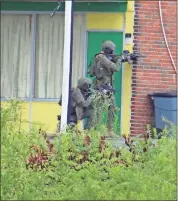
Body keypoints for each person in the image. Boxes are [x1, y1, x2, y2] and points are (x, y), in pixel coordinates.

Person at [90, 40, 123, 137]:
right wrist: (119, 60)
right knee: (100, 109)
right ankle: (97, 131)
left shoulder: (104, 57)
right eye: (111, 50)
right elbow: (115, 68)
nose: (113, 52)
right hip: (101, 87)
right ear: (107, 50)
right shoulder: (102, 58)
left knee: (112, 107)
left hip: (108, 87)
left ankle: (110, 130)